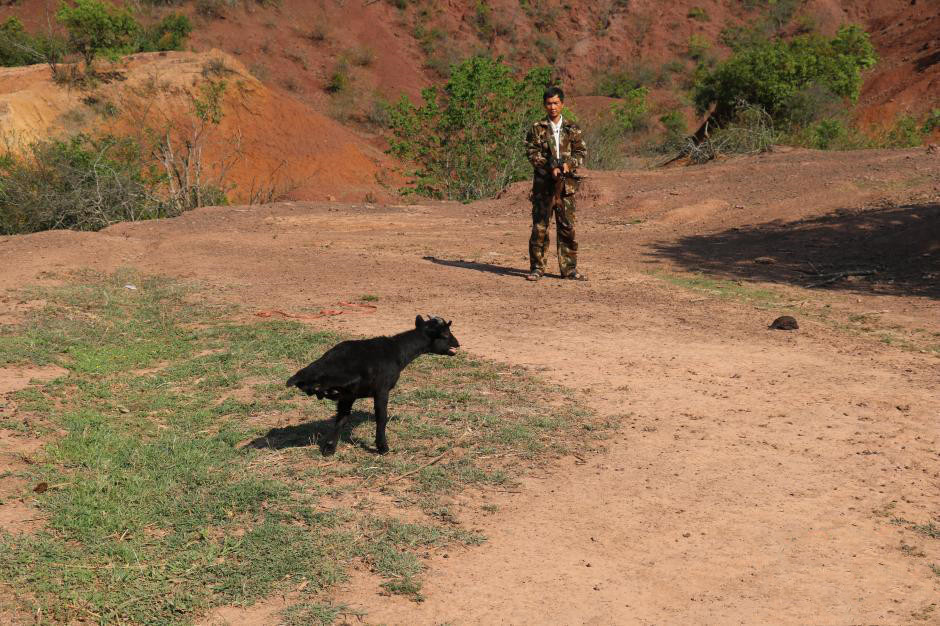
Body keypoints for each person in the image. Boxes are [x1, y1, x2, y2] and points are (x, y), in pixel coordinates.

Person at [524, 86, 588, 281]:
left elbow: (581, 152)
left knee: (567, 227)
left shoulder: (572, 127)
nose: (552, 107)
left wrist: (569, 165)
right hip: (544, 185)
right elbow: (531, 152)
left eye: (556, 103)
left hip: (566, 186)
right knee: (540, 228)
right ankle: (537, 268)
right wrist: (548, 166)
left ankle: (569, 270)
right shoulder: (537, 127)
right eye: (549, 103)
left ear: (562, 104)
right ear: (545, 105)